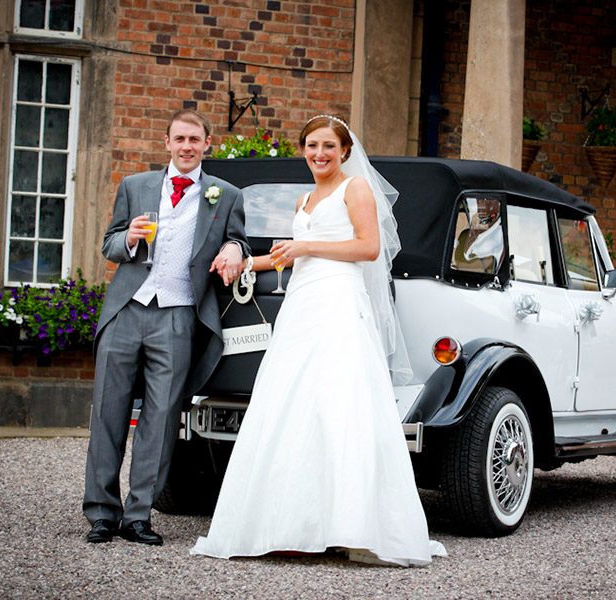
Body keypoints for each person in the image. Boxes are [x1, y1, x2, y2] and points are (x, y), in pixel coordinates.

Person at [190, 115, 445, 566]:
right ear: (303, 149)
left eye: (328, 145)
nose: (319, 154)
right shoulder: (305, 198)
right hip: (303, 306)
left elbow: (368, 247)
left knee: (339, 404)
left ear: (344, 151)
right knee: (292, 404)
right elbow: (287, 253)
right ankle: (289, 523)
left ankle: (354, 525)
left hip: (339, 304)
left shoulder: (355, 190)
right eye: (311, 145)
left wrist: (306, 247)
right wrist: (242, 264)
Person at [83, 109, 250, 546]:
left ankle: (138, 516)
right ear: (167, 142)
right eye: (180, 139)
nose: (187, 146)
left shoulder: (225, 194)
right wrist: (131, 238)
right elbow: (110, 244)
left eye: (195, 139)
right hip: (127, 309)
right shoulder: (135, 186)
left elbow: (240, 240)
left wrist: (233, 246)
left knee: (160, 419)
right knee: (108, 413)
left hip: (179, 314)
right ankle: (102, 513)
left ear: (207, 144)